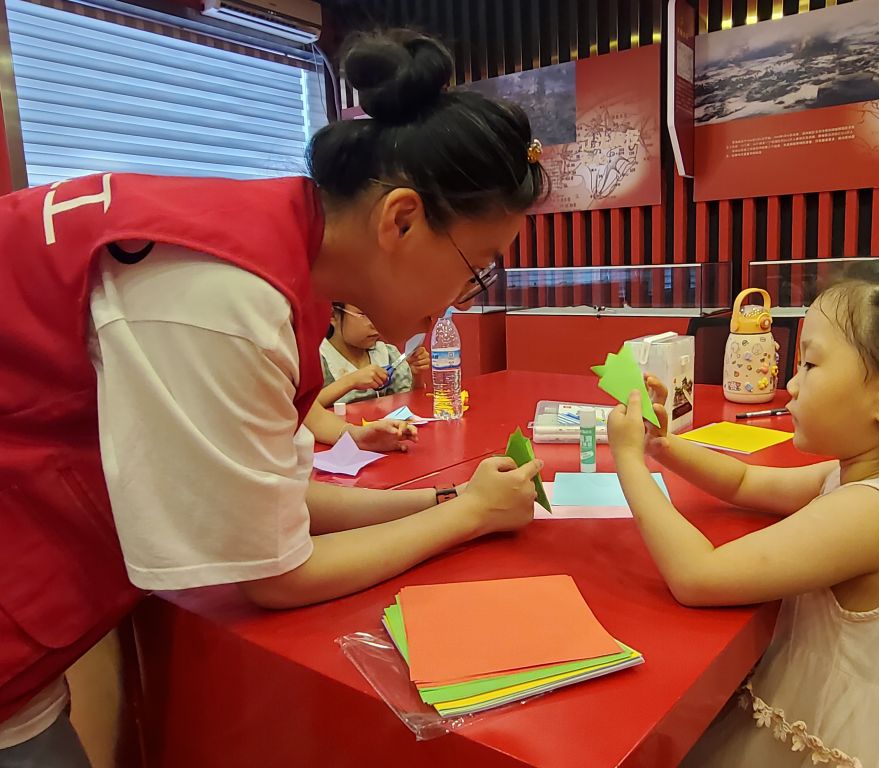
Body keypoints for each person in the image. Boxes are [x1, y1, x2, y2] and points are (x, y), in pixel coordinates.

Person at [0, 28, 546, 766]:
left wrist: (445, 500)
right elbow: (274, 574)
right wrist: (469, 517)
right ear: (402, 220)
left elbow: (271, 497)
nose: (464, 298)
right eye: (477, 267)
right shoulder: (222, 294)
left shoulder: (276, 258)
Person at [607, 253, 879, 766]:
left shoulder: (871, 512)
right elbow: (747, 481)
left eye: (809, 366)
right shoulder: (871, 479)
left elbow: (697, 576)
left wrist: (627, 460)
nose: (791, 385)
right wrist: (661, 445)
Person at [319, 302, 430, 406]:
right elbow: (310, 408)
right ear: (333, 315)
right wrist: (351, 381)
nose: (376, 325)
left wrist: (416, 377)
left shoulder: (388, 354)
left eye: (379, 315)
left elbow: (407, 406)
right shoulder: (318, 359)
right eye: (364, 315)